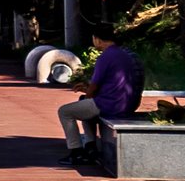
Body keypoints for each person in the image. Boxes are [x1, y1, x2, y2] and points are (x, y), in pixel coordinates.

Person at [55, 36, 142, 167]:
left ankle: (76, 152)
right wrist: (87, 91)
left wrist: (88, 92)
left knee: (65, 111)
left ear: (98, 39)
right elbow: (113, 84)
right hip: (128, 102)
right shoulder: (125, 55)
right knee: (84, 103)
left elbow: (94, 86)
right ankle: (90, 147)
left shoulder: (106, 57)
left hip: (111, 105)